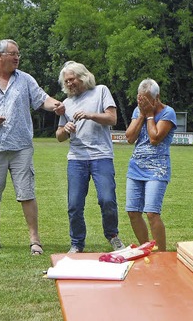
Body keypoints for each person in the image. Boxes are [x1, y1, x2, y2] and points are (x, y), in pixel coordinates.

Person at [0, 39, 64, 255]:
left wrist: (55, 105)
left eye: (18, 53)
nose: (17, 57)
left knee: (27, 193)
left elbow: (43, 99)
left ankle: (35, 240)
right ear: (0, 56)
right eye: (13, 53)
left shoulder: (26, 80)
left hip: (21, 147)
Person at [55, 61, 125, 253]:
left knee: (107, 199)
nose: (69, 84)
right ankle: (77, 243)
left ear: (83, 77)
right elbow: (59, 136)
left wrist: (90, 115)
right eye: (66, 81)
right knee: (75, 204)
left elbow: (112, 118)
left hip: (101, 155)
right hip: (76, 158)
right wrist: (66, 129)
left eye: (72, 79)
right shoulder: (66, 103)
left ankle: (113, 236)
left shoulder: (101, 91)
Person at [124, 79, 177, 252]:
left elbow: (154, 138)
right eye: (140, 99)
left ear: (157, 97)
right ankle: (145, 248)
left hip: (157, 170)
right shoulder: (139, 111)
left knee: (152, 213)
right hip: (136, 168)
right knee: (133, 212)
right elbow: (130, 137)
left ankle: (162, 254)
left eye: (146, 100)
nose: (143, 103)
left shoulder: (168, 113)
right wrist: (141, 114)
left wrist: (149, 115)